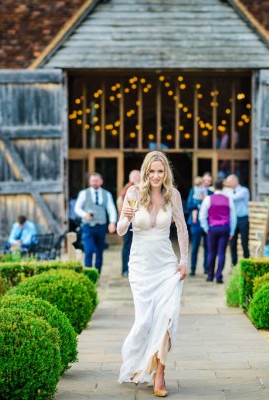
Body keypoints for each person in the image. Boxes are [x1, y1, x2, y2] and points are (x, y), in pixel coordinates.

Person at [117, 151, 188, 397]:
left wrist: (184, 260)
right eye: (152, 171)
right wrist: (125, 218)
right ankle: (141, 364)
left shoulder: (173, 195)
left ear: (165, 172)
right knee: (145, 321)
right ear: (146, 172)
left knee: (167, 316)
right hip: (140, 265)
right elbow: (119, 231)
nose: (156, 176)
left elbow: (181, 228)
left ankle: (160, 373)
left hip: (167, 264)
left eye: (160, 171)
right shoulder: (134, 194)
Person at [74, 172, 117, 273]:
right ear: (89, 182)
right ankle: (88, 273)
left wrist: (112, 222)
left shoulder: (107, 194)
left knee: (99, 251)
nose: (94, 183)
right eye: (93, 180)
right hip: (88, 227)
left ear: (101, 181)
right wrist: (85, 215)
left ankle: (97, 272)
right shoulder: (84, 193)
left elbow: (111, 209)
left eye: (96, 180)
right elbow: (77, 208)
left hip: (101, 226)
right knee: (88, 251)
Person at [199, 179, 237, 283]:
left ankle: (210, 276)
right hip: (225, 228)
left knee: (211, 252)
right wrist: (232, 232)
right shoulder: (228, 199)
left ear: (214, 187)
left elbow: (202, 215)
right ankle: (219, 276)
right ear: (223, 187)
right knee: (222, 253)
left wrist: (206, 228)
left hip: (212, 228)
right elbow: (233, 217)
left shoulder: (208, 199)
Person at [186, 172, 213, 276]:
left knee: (207, 246)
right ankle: (192, 268)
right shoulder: (193, 190)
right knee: (195, 246)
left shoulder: (211, 193)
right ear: (202, 180)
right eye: (205, 180)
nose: (207, 183)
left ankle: (206, 268)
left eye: (209, 181)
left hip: (207, 222)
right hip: (195, 222)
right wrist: (199, 204)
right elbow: (188, 205)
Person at [117, 169, 141, 278]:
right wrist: (124, 215)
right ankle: (125, 270)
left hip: (138, 221)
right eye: (137, 176)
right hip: (130, 221)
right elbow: (119, 200)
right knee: (127, 245)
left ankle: (133, 269)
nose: (139, 178)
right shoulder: (130, 187)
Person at [225, 174, 250, 267]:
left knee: (244, 243)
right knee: (232, 243)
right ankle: (233, 264)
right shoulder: (229, 192)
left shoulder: (244, 190)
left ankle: (247, 264)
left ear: (235, 181)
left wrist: (224, 193)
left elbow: (233, 198)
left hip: (242, 219)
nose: (227, 183)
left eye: (229, 181)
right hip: (232, 219)